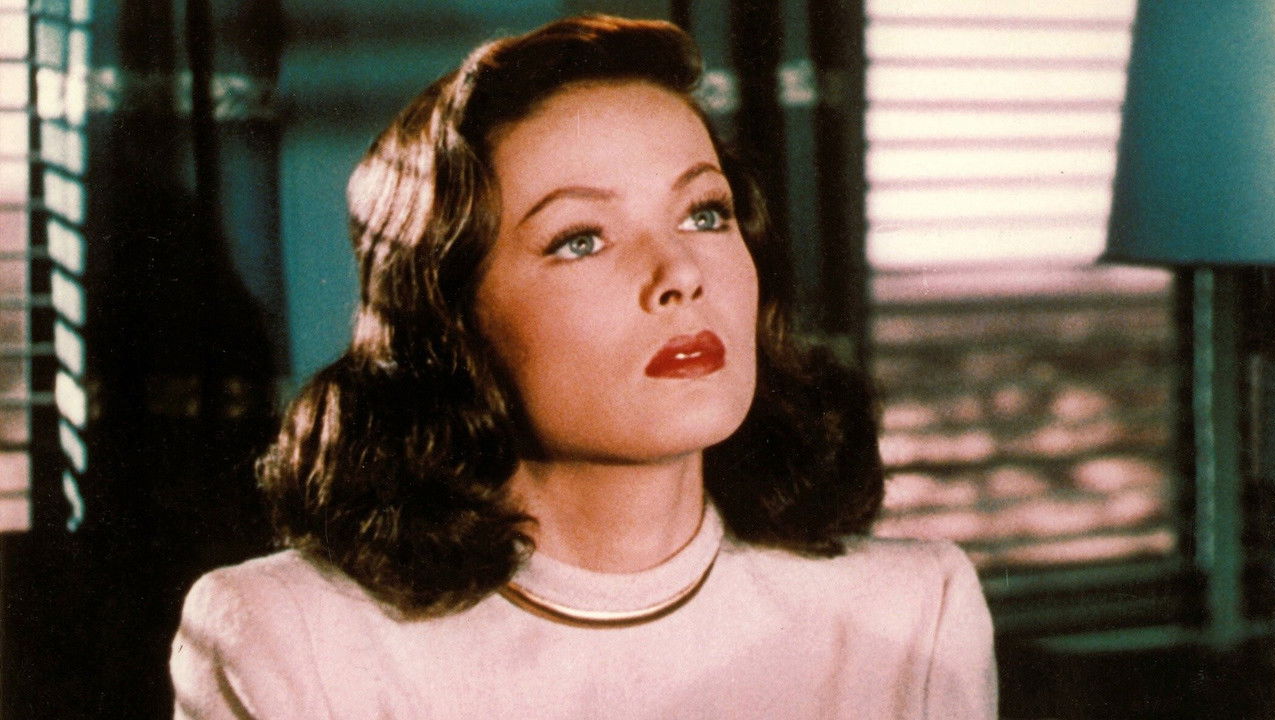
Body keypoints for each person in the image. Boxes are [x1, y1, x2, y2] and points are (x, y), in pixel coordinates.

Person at [169, 14, 996, 719]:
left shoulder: (915, 613)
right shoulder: (289, 639)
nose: (681, 273)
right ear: (451, 321)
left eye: (704, 214)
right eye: (581, 240)